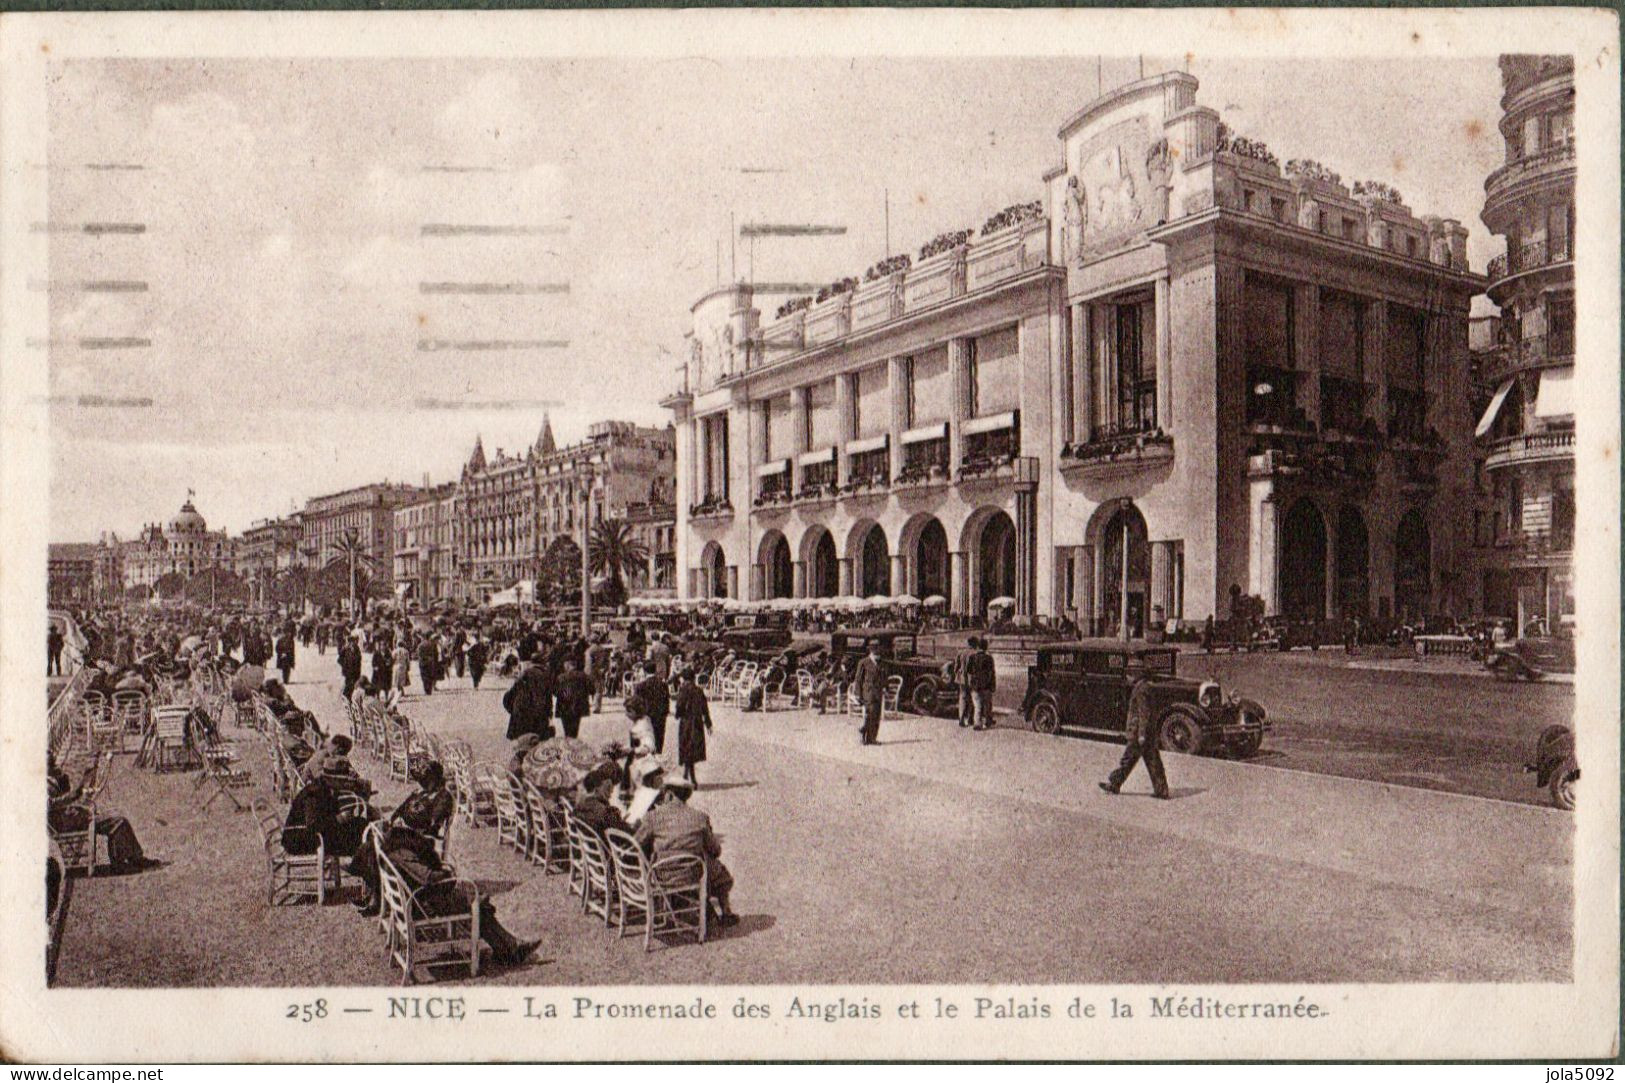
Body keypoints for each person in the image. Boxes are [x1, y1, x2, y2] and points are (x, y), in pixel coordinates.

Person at [634, 777, 738, 927]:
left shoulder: (652, 817)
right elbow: (715, 850)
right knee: (718, 870)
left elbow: (636, 844)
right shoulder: (700, 818)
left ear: (668, 794)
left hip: (661, 876)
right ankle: (726, 912)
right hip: (692, 875)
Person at [48, 753, 155, 873]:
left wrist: (73, 781)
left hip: (70, 818)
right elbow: (62, 800)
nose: (56, 766)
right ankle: (119, 863)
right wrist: (82, 783)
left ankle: (134, 857)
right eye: (53, 764)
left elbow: (66, 798)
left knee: (117, 817)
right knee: (119, 821)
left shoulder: (49, 781)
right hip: (68, 823)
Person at [282, 757, 373, 859]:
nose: (345, 784)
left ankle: (362, 861)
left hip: (312, 834)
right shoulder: (314, 793)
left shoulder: (326, 787)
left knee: (361, 824)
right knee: (357, 838)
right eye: (342, 780)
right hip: (299, 840)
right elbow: (313, 825)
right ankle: (361, 864)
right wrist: (339, 818)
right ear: (332, 778)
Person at [1099, 668, 1170, 799]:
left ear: (1136, 675)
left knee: (1133, 760)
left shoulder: (1141, 690)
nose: (1127, 677)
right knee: (1146, 760)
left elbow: (1144, 713)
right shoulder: (1145, 687)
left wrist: (1142, 734)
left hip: (1139, 733)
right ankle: (1160, 790)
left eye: (1129, 674)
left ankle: (1115, 784)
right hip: (1145, 732)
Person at [673, 670, 712, 787]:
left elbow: (679, 706)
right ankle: (686, 774)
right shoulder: (699, 691)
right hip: (697, 723)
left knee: (687, 749)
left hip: (686, 723)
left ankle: (692, 779)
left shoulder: (683, 690)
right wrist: (709, 724)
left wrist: (677, 715)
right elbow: (705, 709)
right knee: (692, 749)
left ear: (684, 679)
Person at [573, 763, 632, 839]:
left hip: (588, 846)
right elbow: (624, 835)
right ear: (597, 787)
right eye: (608, 787)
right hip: (607, 847)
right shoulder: (605, 812)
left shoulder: (579, 805)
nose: (612, 791)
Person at [503, 654, 554, 741]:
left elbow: (512, 692)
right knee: (537, 740)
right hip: (540, 713)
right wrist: (549, 712)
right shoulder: (547, 675)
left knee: (523, 740)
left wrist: (512, 708)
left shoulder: (526, 673)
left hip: (523, 711)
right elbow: (549, 696)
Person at [630, 669, 670, 755]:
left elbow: (635, 703)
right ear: (655, 671)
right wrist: (665, 714)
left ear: (644, 672)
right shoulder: (663, 685)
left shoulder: (640, 686)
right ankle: (657, 756)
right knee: (659, 738)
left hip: (645, 716)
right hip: (659, 716)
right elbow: (666, 701)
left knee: (646, 739)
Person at [852, 643, 885, 746]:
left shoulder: (880, 663)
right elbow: (858, 679)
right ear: (871, 651)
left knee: (876, 715)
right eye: (875, 651)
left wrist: (885, 687)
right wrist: (857, 694)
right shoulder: (863, 662)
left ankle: (872, 738)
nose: (877, 653)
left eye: (878, 651)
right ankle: (864, 735)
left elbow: (883, 677)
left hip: (878, 692)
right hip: (868, 692)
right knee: (870, 714)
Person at [555, 658, 593, 740]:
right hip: (578, 707)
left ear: (567, 665)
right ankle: (573, 744)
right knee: (575, 731)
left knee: (566, 730)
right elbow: (592, 690)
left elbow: (555, 692)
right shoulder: (583, 676)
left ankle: (568, 744)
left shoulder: (561, 677)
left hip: (564, 707)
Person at [966, 636, 997, 731]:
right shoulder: (989, 658)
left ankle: (977, 723)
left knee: (977, 704)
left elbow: (969, 670)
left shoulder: (972, 657)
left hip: (975, 684)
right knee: (987, 704)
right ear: (986, 647)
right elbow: (992, 672)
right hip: (986, 684)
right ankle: (987, 721)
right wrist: (993, 684)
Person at [337, 634, 363, 700]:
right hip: (348, 671)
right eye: (352, 642)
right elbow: (339, 660)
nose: (353, 643)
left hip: (355, 671)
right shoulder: (345, 650)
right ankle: (346, 697)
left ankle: (348, 698)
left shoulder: (357, 649)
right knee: (348, 685)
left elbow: (359, 661)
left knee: (352, 685)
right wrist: (344, 666)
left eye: (354, 641)